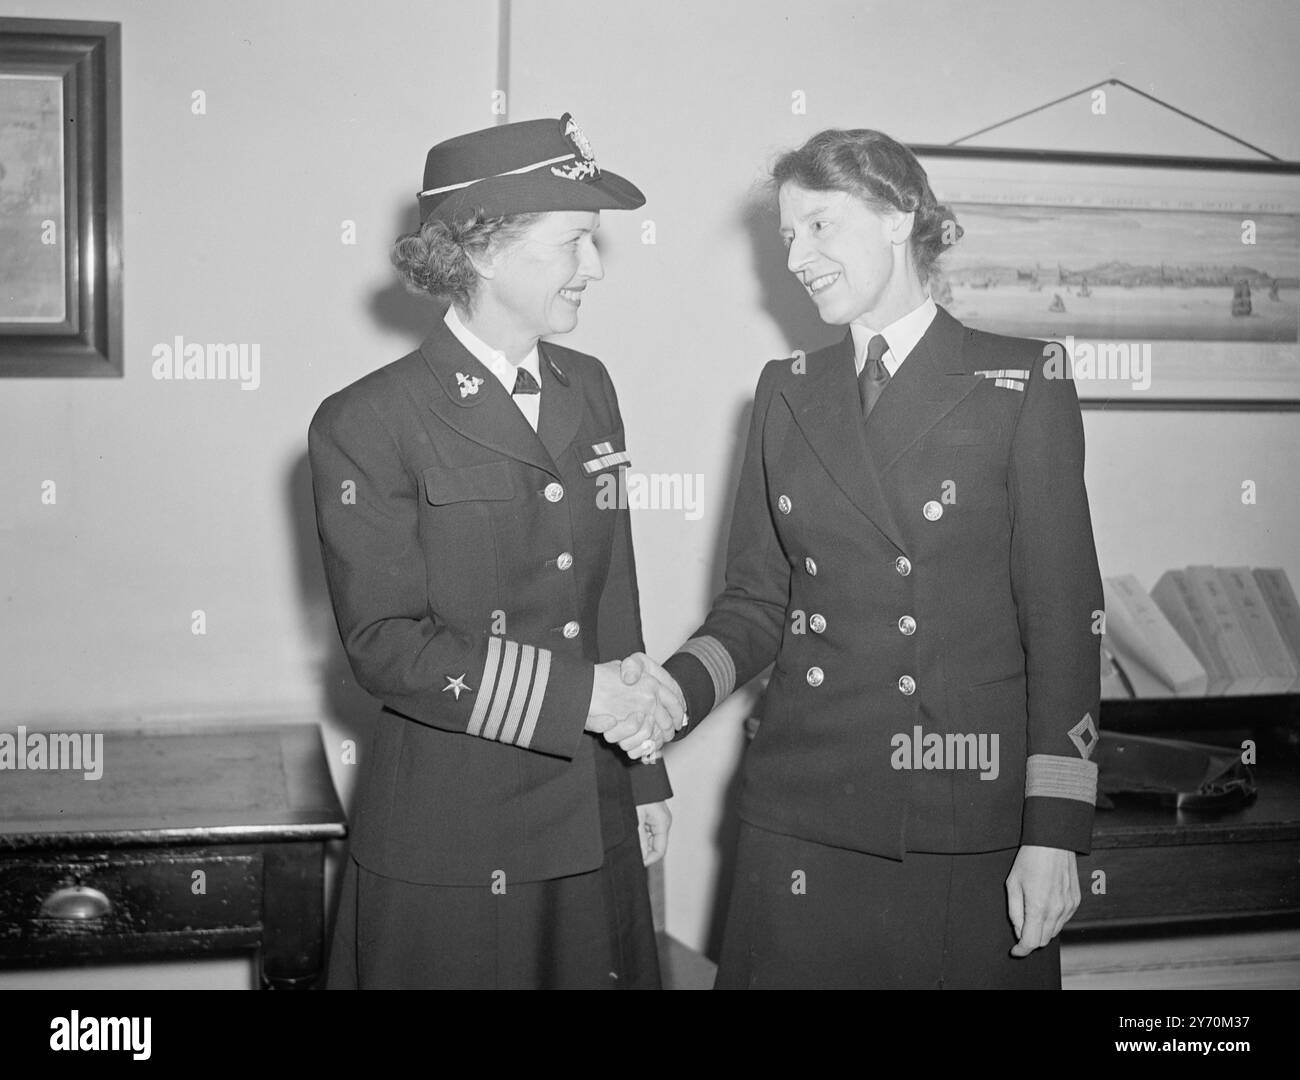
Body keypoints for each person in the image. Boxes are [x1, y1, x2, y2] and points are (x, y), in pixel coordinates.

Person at [651, 128, 1104, 989]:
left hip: (956, 812)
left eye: (820, 226)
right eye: (787, 235)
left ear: (900, 219)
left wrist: (1054, 832)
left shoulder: (1019, 379)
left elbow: (1065, 622)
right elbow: (755, 601)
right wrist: (673, 692)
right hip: (799, 805)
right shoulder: (785, 388)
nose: (797, 256)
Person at [309, 113, 685, 990]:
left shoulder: (589, 387)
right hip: (452, 834)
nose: (594, 269)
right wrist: (584, 696)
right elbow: (386, 646)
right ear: (479, 252)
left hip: (589, 810)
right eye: (574, 245)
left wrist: (644, 773)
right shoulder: (366, 422)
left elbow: (611, 594)